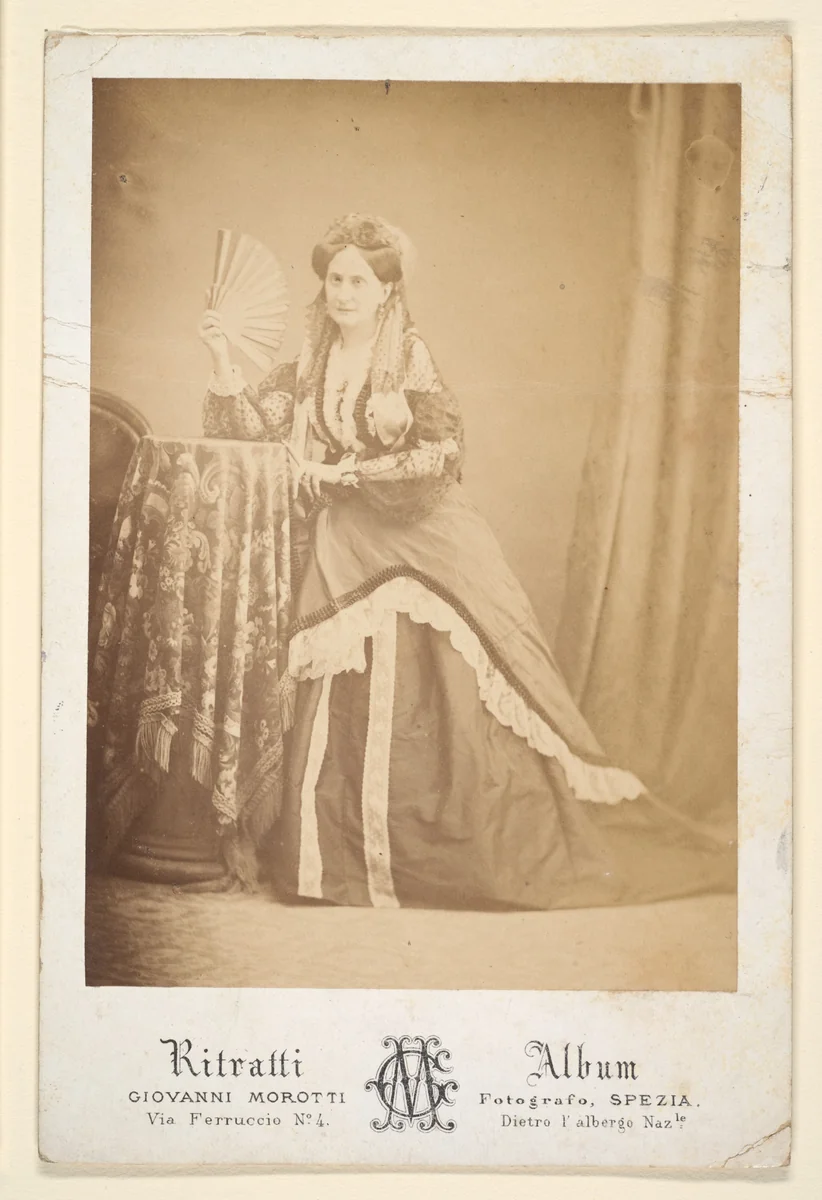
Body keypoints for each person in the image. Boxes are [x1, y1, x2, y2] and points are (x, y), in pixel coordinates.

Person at [199, 213, 733, 910]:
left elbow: (438, 457)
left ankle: (453, 856)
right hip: (349, 542)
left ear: (387, 290)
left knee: (461, 682)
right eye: (335, 278)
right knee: (345, 678)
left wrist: (339, 478)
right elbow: (255, 433)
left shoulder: (407, 357)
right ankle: (340, 860)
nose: (344, 292)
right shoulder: (311, 358)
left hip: (424, 534)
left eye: (359, 280)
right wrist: (221, 363)